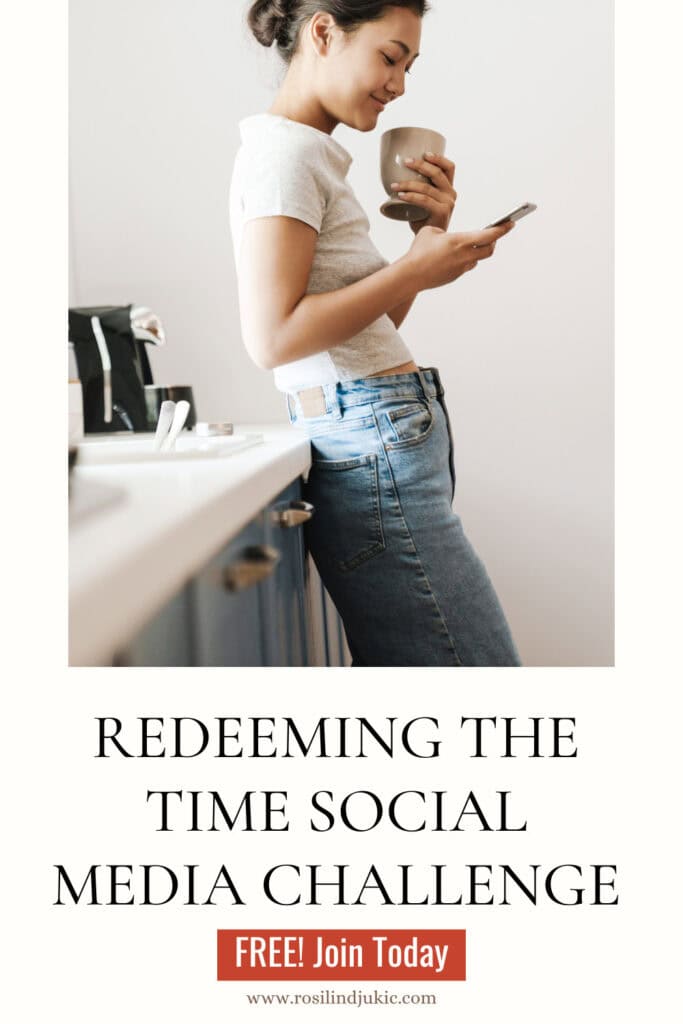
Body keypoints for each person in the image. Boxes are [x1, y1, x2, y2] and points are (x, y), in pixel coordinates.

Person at [229, 0, 521, 666]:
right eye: (390, 57)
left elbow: (361, 330)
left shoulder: (307, 154)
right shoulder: (286, 158)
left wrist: (425, 244)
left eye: (409, 67)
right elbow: (272, 339)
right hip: (370, 438)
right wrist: (414, 267)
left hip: (374, 432)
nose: (398, 84)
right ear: (324, 31)